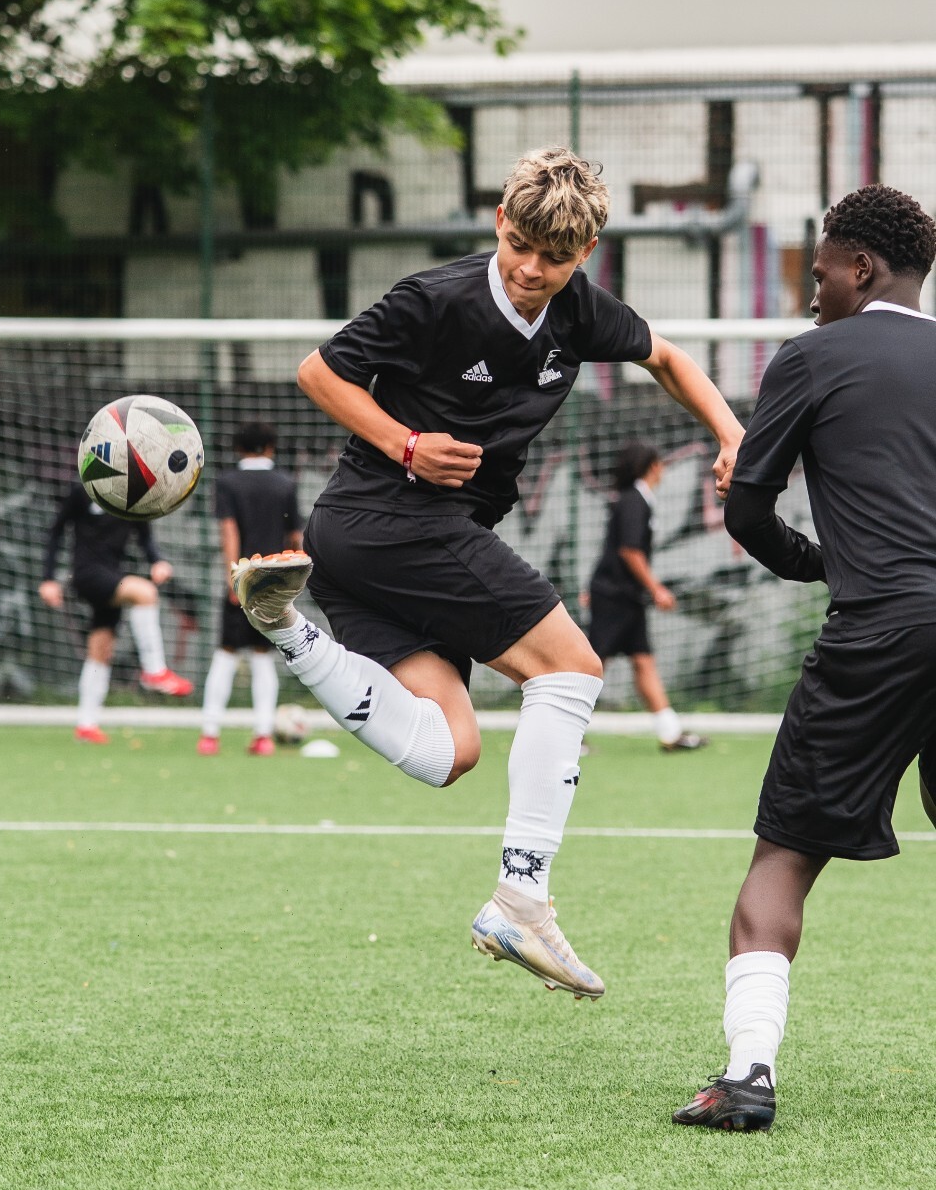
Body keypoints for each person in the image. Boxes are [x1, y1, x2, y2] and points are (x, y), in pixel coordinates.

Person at [232, 147, 743, 1002]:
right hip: (395, 521)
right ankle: (523, 900)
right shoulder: (435, 298)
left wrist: (732, 436)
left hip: (364, 552)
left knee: (448, 751)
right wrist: (404, 443)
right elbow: (318, 371)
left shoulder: (578, 310)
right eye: (523, 247)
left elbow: (669, 358)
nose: (535, 270)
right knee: (573, 667)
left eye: (558, 257)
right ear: (500, 223)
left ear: (585, 254)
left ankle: (284, 623)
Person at [673, 183, 936, 1132]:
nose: (810, 286)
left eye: (818, 268)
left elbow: (747, 507)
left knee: (784, 854)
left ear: (858, 266)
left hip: (882, 628)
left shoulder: (814, 355)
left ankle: (747, 1079)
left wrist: (821, 564)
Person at [39, 481, 193, 744]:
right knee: (144, 593)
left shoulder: (135, 495)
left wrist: (157, 561)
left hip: (112, 573)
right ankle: (154, 671)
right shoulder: (84, 490)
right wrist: (48, 579)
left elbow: (145, 536)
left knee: (101, 650)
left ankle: (86, 725)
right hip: (87, 574)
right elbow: (56, 531)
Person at [587, 441, 708, 752]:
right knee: (591, 665)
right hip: (615, 597)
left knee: (644, 662)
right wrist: (656, 588)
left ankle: (670, 734)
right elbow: (628, 550)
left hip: (627, 598)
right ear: (653, 466)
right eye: (660, 463)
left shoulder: (637, 500)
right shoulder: (634, 501)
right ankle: (566, 735)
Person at [198, 421, 303, 757]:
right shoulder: (286, 482)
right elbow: (295, 538)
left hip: (242, 579)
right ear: (270, 447)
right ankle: (263, 736)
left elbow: (229, 531)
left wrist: (234, 577)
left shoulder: (227, 482)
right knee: (263, 658)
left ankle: (210, 735)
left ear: (238, 448)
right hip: (273, 585)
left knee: (226, 653)